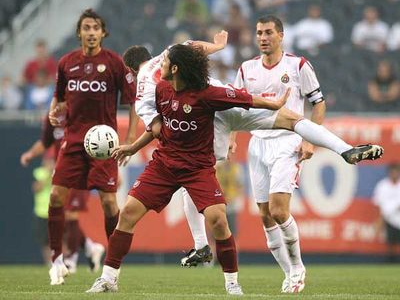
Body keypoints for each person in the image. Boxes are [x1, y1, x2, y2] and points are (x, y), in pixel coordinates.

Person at [120, 30, 383, 273]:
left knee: (190, 174)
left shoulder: (144, 82)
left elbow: (155, 127)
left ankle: (201, 244)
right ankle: (345, 149)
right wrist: (219, 46)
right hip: (224, 98)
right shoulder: (171, 51)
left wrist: (142, 141)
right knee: (292, 120)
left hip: (204, 119)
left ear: (132, 69)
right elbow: (195, 48)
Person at [86, 43, 292, 296]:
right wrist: (132, 148)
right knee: (127, 212)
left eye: (163, 62)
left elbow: (244, 98)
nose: (158, 65)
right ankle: (108, 278)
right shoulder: (161, 89)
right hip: (165, 164)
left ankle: (232, 284)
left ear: (175, 68)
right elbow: (156, 129)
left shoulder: (206, 93)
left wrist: (274, 105)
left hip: (197, 168)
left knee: (218, 220)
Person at [231, 15, 326, 293]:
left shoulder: (297, 65)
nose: (263, 37)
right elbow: (236, 106)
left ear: (281, 35)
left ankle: (297, 267)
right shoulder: (247, 68)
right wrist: (233, 137)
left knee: (278, 209)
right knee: (265, 215)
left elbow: (318, 104)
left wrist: (310, 138)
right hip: (257, 143)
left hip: (288, 141)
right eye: (259, 32)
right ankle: (288, 273)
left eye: (269, 32)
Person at [46, 8, 137, 285]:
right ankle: (57, 261)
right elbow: (59, 96)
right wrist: (53, 110)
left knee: (110, 204)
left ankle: (112, 267)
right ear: (79, 32)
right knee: (55, 199)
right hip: (73, 141)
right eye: (86, 27)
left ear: (103, 32)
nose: (91, 32)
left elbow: (132, 102)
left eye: (95, 28)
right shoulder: (66, 63)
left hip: (104, 145)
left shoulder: (114, 63)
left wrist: (130, 139)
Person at [20, 115, 105, 274]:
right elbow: (45, 143)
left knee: (70, 214)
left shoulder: (83, 111)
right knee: (66, 216)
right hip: (65, 172)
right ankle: (90, 247)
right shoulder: (53, 117)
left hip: (81, 170)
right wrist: (30, 154)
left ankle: (71, 260)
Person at [373, 164, 400, 263]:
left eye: (396, 171)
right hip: (388, 218)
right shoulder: (382, 185)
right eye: (392, 172)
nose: (394, 174)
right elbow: (378, 203)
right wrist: (379, 219)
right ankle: (390, 261)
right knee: (390, 242)